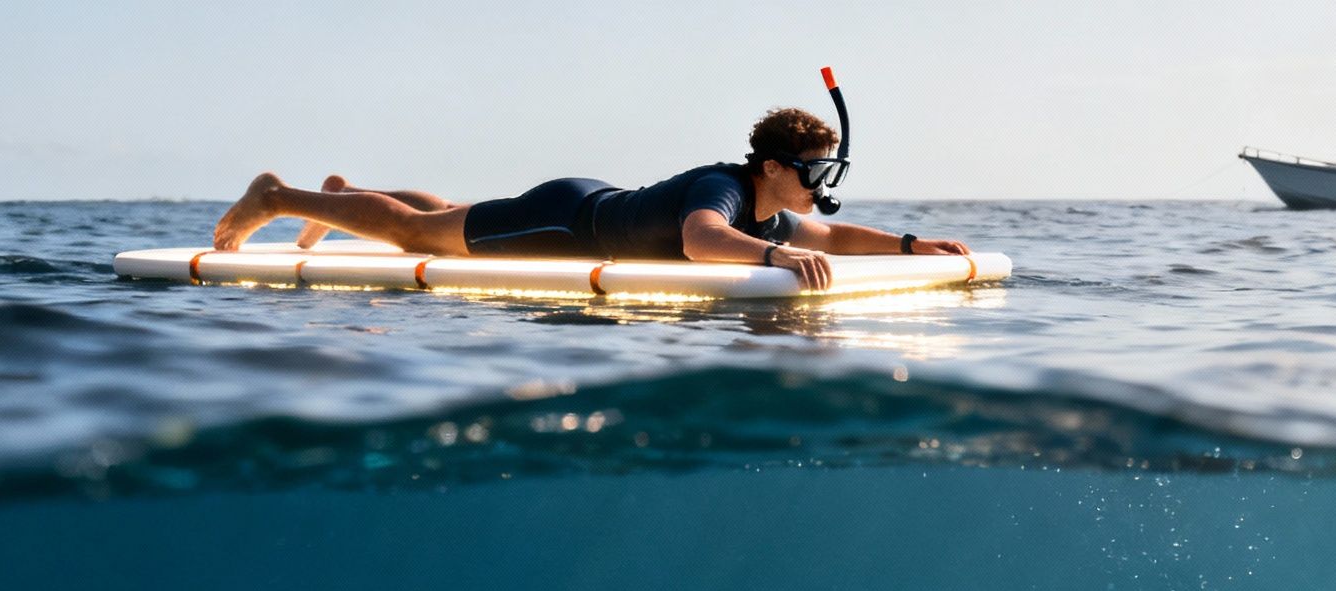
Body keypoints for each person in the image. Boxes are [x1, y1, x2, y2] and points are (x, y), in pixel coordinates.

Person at [211, 107, 967, 292]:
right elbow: (703, 238)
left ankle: (341, 196)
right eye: (814, 172)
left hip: (585, 210)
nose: (822, 187)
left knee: (444, 215)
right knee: (419, 235)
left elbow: (833, 240)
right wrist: (776, 255)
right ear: (772, 166)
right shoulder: (725, 191)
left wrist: (911, 246)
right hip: (568, 221)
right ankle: (279, 195)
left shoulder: (770, 205)